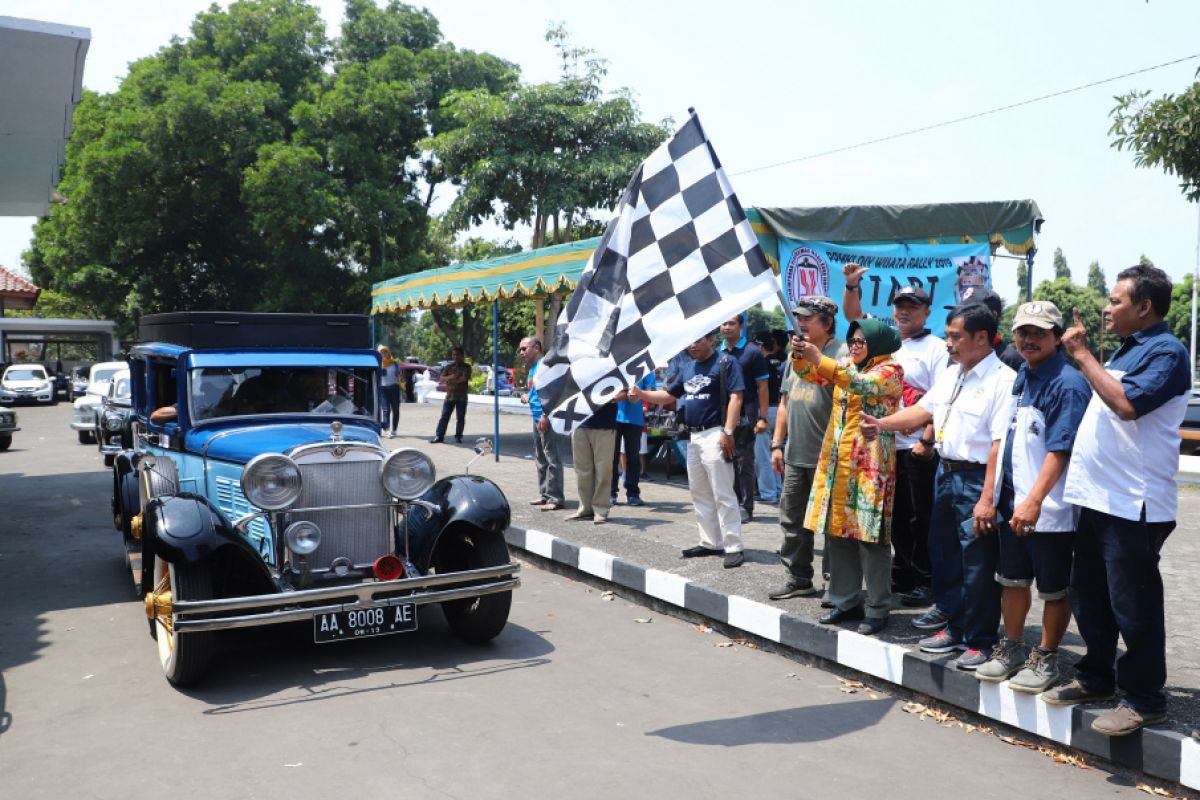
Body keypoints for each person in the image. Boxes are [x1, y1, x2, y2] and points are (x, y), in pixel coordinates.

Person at [1043, 265, 1190, 736]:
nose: (1107, 308)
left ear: (1144, 306)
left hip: (1134, 502)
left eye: (1116, 300)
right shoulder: (1131, 348)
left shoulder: (1167, 351)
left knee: (1135, 605)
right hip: (1098, 497)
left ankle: (1145, 699)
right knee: (1089, 595)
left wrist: (1083, 356)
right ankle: (1097, 675)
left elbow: (1127, 405)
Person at [862, 303, 1016, 670]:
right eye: (947, 336)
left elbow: (999, 445)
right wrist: (880, 424)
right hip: (945, 474)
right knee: (945, 556)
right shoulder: (954, 374)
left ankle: (980, 640)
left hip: (977, 478)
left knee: (977, 564)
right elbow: (922, 412)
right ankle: (956, 626)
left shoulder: (1003, 381)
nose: (948, 344)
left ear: (982, 337)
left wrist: (987, 500)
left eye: (955, 337)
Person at [971, 301, 1091, 692]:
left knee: (1054, 587)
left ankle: (1046, 657)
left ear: (1057, 337)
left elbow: (1061, 450)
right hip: (1013, 499)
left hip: (1048, 507)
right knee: (1012, 580)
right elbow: (1005, 439)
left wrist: (1035, 501)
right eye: (1023, 331)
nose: (1029, 339)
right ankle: (1012, 647)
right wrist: (991, 496)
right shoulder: (1023, 373)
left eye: (1039, 332)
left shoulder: (1068, 383)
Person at [843, 265, 948, 610]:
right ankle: (901, 574)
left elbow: (942, 398)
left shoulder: (936, 348)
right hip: (885, 445)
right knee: (896, 515)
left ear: (926, 312)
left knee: (922, 517)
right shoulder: (886, 343)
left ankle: (925, 580)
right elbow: (854, 317)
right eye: (899, 305)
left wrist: (928, 439)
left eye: (912, 306)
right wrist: (851, 285)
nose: (904, 311)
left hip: (916, 447)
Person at [794, 318, 903, 635]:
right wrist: (800, 354)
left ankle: (878, 607)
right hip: (837, 462)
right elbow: (809, 374)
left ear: (877, 344)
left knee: (870, 539)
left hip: (870, 465)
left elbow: (859, 386)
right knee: (837, 534)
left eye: (860, 341)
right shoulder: (847, 365)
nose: (854, 346)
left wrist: (817, 356)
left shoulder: (889, 371)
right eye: (852, 341)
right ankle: (846, 601)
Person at [632, 332, 746, 568]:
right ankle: (710, 541)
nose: (693, 345)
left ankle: (733, 545)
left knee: (723, 492)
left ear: (711, 339)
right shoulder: (687, 368)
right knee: (699, 491)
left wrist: (728, 432)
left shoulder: (726, 362)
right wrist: (642, 394)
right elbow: (668, 395)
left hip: (716, 433)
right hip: (692, 436)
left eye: (698, 340)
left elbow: (736, 398)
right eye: (690, 341)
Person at [767, 296, 847, 600]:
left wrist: (814, 357)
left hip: (830, 456)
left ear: (826, 323)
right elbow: (785, 402)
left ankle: (835, 584)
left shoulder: (841, 352)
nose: (799, 323)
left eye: (807, 318)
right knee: (792, 520)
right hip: (795, 454)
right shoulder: (793, 354)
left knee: (831, 525)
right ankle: (799, 578)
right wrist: (777, 444)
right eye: (798, 318)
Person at [719, 313, 771, 524]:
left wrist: (763, 417)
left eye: (731, 323)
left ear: (741, 326)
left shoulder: (752, 353)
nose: (727, 327)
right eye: (724, 323)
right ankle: (729, 503)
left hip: (747, 413)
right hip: (722, 415)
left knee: (744, 462)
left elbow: (763, 387)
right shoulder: (718, 353)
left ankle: (746, 506)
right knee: (724, 461)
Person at [518, 336, 565, 511]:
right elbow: (536, 391)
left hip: (547, 418)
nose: (521, 353)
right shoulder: (533, 369)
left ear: (536, 347)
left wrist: (546, 414)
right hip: (537, 417)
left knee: (552, 458)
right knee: (541, 458)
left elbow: (554, 392)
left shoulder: (545, 366)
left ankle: (555, 497)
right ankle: (545, 494)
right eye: (520, 350)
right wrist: (527, 397)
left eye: (524, 349)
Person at [612, 373, 656, 507]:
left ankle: (632, 493)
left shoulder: (647, 368)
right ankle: (610, 493)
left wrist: (639, 394)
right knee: (611, 458)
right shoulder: (616, 364)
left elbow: (651, 392)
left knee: (633, 458)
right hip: (613, 418)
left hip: (635, 419)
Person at [958, 286, 1024, 371]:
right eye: (960, 313)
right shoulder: (957, 355)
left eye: (969, 315)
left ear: (993, 316)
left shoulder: (1011, 360)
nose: (962, 319)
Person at [752, 332, 784, 504]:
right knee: (774, 451)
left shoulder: (762, 362)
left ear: (760, 346)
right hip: (777, 409)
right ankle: (777, 489)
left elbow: (760, 388)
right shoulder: (777, 361)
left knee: (762, 455)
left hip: (765, 411)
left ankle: (768, 493)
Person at [431, 346, 470, 444]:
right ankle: (439, 436)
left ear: (462, 356)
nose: (455, 356)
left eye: (457, 354)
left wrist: (449, 379)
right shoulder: (449, 367)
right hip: (450, 396)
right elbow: (441, 378)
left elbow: (463, 379)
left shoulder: (466, 367)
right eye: (454, 354)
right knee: (444, 416)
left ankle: (458, 436)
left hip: (461, 396)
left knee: (460, 418)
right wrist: (452, 377)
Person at [378, 345, 400, 438]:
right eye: (381, 352)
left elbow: (399, 375)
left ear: (388, 353)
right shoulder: (378, 363)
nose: (383, 354)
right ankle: (387, 430)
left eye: (385, 352)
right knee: (386, 410)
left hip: (394, 387)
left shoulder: (394, 363)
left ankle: (394, 429)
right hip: (383, 388)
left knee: (396, 409)